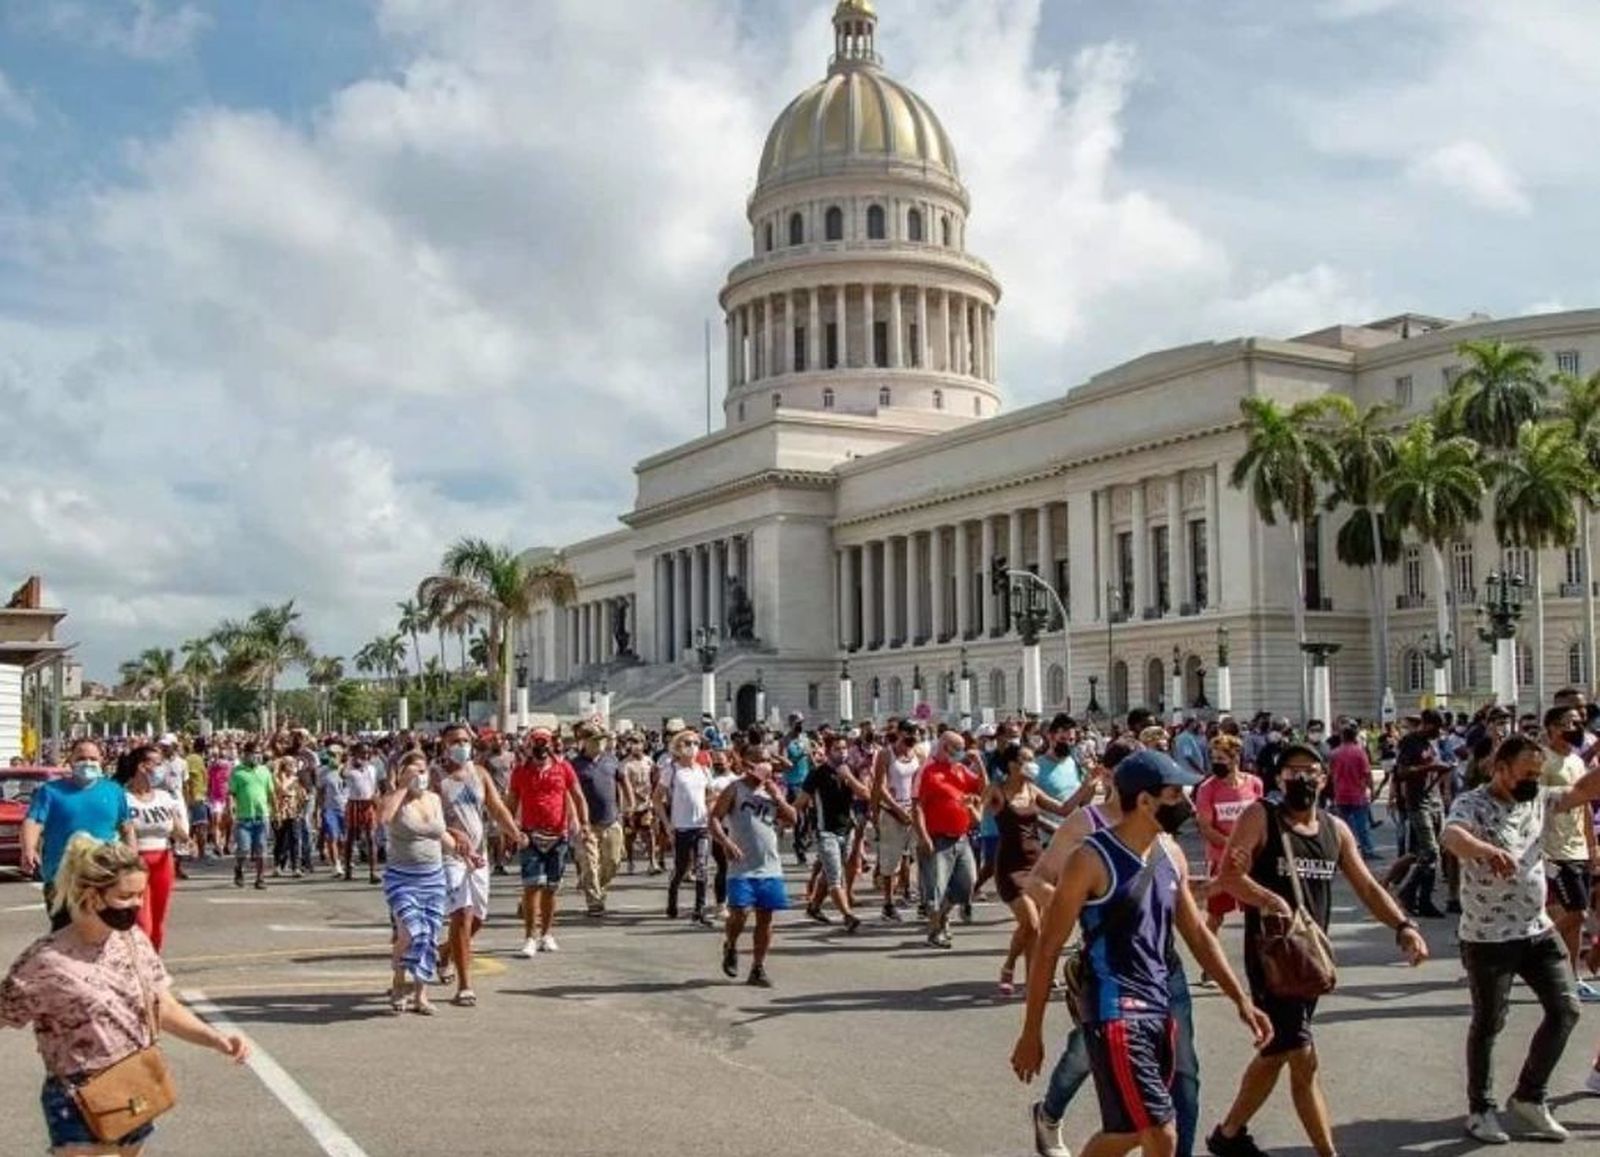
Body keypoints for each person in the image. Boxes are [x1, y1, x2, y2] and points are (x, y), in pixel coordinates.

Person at [1011, 750, 1272, 1157]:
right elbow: (1047, 949)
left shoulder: (1168, 855)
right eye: (1173, 793)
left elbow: (1198, 935)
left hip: (1159, 1006)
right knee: (1161, 1131)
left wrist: (1241, 1000)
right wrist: (1032, 1031)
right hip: (1115, 1011)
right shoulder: (1090, 858)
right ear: (1145, 802)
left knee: (1132, 1130)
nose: (1183, 802)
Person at [1206, 744, 1429, 1157]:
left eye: (1311, 771)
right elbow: (1230, 877)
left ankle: (1229, 1133)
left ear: (1324, 779)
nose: (1303, 779)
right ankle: (1327, 1152)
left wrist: (1403, 925)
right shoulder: (1261, 817)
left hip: (1310, 959)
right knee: (1302, 1055)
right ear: (1278, 779)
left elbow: (1366, 886)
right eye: (1292, 772)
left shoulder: (1335, 830)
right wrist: (1269, 900)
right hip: (1272, 957)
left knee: (1277, 1050)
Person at [1, 835, 250, 1154]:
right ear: (91, 895)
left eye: (139, 895)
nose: (136, 904)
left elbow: (162, 1007)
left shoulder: (132, 941)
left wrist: (216, 1039)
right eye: (125, 896)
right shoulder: (45, 962)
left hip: (134, 1086)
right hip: (79, 1099)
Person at [1442, 733, 1600, 1142]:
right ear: (1500, 768)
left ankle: (1530, 1097)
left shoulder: (1539, 798)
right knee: (1489, 1022)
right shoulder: (1472, 802)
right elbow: (1452, 836)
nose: (1532, 780)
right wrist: (1484, 850)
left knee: (1566, 1009)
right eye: (1525, 773)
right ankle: (1480, 1110)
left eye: (1537, 772)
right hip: (1487, 937)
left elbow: (1584, 788)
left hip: (1536, 929)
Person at [985, 742, 1083, 997]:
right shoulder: (999, 791)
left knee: (1036, 929)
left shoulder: (1032, 789)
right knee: (1031, 922)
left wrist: (1088, 786)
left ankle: (1033, 980)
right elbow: (980, 808)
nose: (1033, 764)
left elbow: (1064, 809)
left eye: (1032, 759)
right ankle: (1009, 965)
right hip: (1010, 866)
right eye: (1026, 759)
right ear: (1012, 765)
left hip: (1037, 864)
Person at [436, 724, 522, 1006]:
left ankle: (446, 950)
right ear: (444, 745)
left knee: (478, 918)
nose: (461, 745)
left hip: (479, 856)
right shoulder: (437, 778)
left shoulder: (480, 774)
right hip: (450, 856)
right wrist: (451, 834)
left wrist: (515, 833)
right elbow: (430, 818)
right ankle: (464, 985)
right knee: (462, 913)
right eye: (454, 741)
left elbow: (496, 808)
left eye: (465, 740)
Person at [20, 738, 136, 930]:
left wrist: (132, 860)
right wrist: (29, 849)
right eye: (81, 758)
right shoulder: (50, 792)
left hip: (104, 875)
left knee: (102, 931)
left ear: (102, 760)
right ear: (71, 760)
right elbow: (33, 821)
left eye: (92, 758)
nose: (87, 763)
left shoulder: (114, 791)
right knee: (64, 932)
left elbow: (126, 826)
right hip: (61, 876)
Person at [377, 753, 456, 1015]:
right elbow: (384, 818)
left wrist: (465, 851)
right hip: (402, 877)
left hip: (433, 876)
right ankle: (399, 981)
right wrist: (403, 787)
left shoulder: (433, 798)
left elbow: (441, 833)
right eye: (413, 772)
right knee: (410, 932)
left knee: (430, 934)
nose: (419, 777)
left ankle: (421, 994)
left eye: (422, 771)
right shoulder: (395, 800)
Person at [711, 755, 796, 988]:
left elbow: (792, 818)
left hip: (770, 865)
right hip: (742, 865)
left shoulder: (772, 790)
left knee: (765, 917)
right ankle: (730, 944)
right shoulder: (734, 789)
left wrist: (778, 797)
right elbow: (714, 819)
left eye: (770, 763)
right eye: (763, 762)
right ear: (750, 766)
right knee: (739, 912)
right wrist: (726, 843)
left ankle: (757, 968)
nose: (768, 766)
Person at [507, 727, 588, 956]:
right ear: (529, 746)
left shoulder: (563, 768)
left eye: (545, 744)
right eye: (536, 744)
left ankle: (546, 934)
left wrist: (584, 823)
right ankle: (530, 937)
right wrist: (510, 832)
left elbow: (578, 796)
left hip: (558, 836)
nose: (541, 749)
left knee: (551, 889)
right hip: (530, 835)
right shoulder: (520, 772)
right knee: (532, 886)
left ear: (551, 745)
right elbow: (511, 803)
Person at [1539, 705, 1599, 1001]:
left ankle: (1572, 978)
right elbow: (1533, 808)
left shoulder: (1576, 761)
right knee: (1577, 912)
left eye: (1578, 722)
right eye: (1568, 722)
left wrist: (1592, 844)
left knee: (1575, 922)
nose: (1575, 727)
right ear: (1551, 727)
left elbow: (1586, 801)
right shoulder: (1542, 761)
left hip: (1577, 848)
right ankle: (1529, 951)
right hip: (1553, 850)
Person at [1193, 734, 1263, 965]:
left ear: (1235, 759)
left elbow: (1261, 819)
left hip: (1251, 861)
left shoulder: (1254, 784)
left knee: (1258, 913)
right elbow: (1205, 826)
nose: (1216, 763)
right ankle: (1209, 964)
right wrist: (1233, 845)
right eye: (1213, 758)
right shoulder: (1207, 788)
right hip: (1220, 861)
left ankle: (1262, 960)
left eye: (1221, 758)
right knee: (1215, 916)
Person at [914, 730, 983, 950]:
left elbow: (984, 787)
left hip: (961, 837)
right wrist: (923, 836)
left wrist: (979, 763)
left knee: (967, 884)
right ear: (945, 747)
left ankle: (943, 917)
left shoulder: (960, 770)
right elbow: (917, 806)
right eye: (957, 748)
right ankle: (935, 932)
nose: (961, 752)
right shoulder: (929, 771)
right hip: (938, 838)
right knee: (937, 888)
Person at [795, 733, 870, 932]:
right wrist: (789, 817)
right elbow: (801, 801)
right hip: (825, 831)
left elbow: (865, 794)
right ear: (828, 752)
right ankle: (848, 916)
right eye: (837, 749)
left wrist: (848, 777)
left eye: (844, 748)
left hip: (846, 830)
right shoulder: (818, 774)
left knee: (830, 873)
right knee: (836, 877)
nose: (842, 752)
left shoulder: (850, 771)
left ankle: (814, 906)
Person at [119, 745, 188, 953]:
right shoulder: (123, 797)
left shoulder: (164, 797)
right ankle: (138, 960)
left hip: (162, 860)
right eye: (157, 764)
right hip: (135, 861)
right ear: (142, 766)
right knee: (142, 922)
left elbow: (176, 828)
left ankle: (153, 964)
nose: (162, 769)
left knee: (158, 920)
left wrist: (186, 838)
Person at [1393, 708, 1450, 918]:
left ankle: (1423, 899)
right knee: (1430, 851)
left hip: (1433, 800)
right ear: (1426, 724)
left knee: (1424, 853)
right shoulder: (1410, 742)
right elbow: (1402, 772)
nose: (1439, 732)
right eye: (1436, 727)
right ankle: (1408, 893)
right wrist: (1430, 768)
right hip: (1418, 803)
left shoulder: (1431, 744)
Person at [656, 728, 715, 925]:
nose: (692, 747)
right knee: (682, 868)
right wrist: (667, 824)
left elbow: (710, 796)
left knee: (702, 866)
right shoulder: (672, 770)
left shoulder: (704, 770)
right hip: (681, 826)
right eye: (687, 743)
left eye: (695, 743)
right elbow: (657, 799)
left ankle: (699, 910)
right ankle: (672, 896)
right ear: (678, 747)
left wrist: (712, 812)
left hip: (702, 826)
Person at [572, 722, 630, 916]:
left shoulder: (611, 760)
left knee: (613, 861)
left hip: (611, 820)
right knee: (589, 863)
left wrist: (628, 806)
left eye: (601, 740)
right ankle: (594, 901)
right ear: (584, 742)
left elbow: (623, 782)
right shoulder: (575, 765)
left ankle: (599, 887)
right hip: (587, 824)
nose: (600, 744)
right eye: (595, 740)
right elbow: (569, 793)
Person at [870, 719, 923, 922]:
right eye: (909, 733)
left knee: (917, 855)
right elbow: (880, 786)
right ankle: (888, 903)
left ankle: (920, 898)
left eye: (916, 733)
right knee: (890, 861)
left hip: (912, 811)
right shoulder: (886, 754)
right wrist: (895, 809)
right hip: (892, 812)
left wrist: (917, 807)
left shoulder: (916, 754)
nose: (913, 737)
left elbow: (918, 781)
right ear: (900, 733)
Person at [228, 743, 275, 890]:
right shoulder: (237, 772)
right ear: (246, 754)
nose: (257, 756)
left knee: (261, 848)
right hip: (244, 817)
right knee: (244, 848)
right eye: (254, 753)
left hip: (261, 816)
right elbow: (231, 794)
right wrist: (231, 810)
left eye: (259, 753)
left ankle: (260, 878)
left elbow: (271, 792)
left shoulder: (265, 771)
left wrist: (277, 811)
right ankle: (239, 868)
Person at [1326, 723, 1376, 859]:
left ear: (1342, 737)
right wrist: (1372, 789)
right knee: (1362, 826)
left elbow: (1329, 775)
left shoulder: (1334, 753)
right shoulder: (1360, 752)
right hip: (1358, 794)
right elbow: (1367, 774)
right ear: (1354, 736)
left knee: (1344, 827)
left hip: (1341, 794)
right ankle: (1367, 851)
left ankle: (1346, 852)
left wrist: (1330, 793)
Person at [341, 742, 381, 884]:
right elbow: (343, 774)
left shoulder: (371, 768)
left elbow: (374, 786)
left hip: (368, 803)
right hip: (354, 803)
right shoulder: (350, 769)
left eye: (367, 753)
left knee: (371, 837)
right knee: (350, 837)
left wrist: (376, 799)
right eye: (362, 753)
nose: (365, 755)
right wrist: (350, 761)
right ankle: (347, 869)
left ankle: (373, 871)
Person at [620, 735, 659, 874]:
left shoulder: (649, 761)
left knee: (649, 832)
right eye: (633, 743)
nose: (636, 746)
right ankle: (630, 861)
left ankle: (652, 861)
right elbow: (625, 785)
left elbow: (655, 779)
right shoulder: (625, 764)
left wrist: (653, 797)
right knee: (630, 835)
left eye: (638, 742)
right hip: (630, 806)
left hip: (646, 805)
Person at [270, 756, 307, 878]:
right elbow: (279, 790)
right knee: (280, 840)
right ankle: (277, 865)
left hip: (293, 812)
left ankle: (295, 866)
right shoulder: (277, 779)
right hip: (280, 813)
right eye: (289, 764)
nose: (292, 767)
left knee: (294, 839)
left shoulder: (296, 780)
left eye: (293, 764)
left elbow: (302, 796)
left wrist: (301, 807)